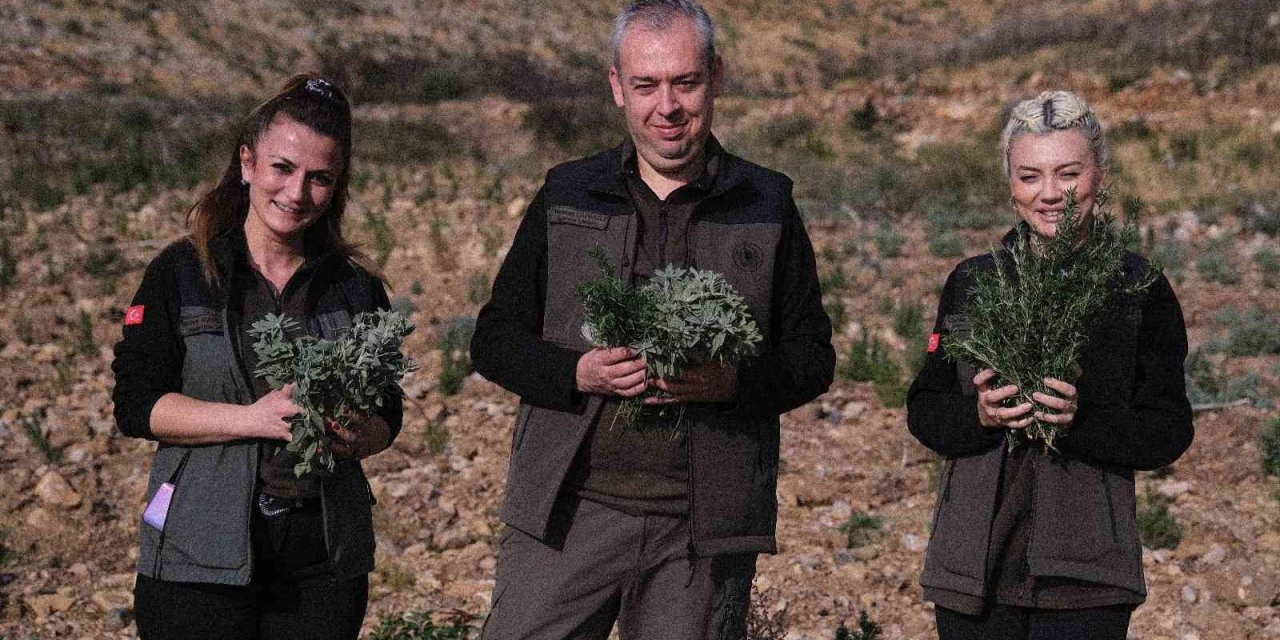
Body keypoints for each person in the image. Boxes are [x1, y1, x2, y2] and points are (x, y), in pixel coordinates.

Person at [470, 1, 834, 637]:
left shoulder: (766, 201)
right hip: (567, 514)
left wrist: (733, 383)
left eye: (685, 83)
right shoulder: (568, 192)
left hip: (702, 529)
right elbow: (494, 340)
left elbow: (811, 358)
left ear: (716, 78)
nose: (666, 106)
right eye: (645, 85)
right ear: (616, 86)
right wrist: (578, 372)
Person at [111, 74, 402, 640]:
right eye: (282, 169)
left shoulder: (354, 287)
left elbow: (389, 410)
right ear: (246, 163)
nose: (297, 194)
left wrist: (361, 434)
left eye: (319, 178)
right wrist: (252, 419)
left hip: (323, 563)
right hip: (199, 557)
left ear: (337, 185)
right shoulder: (182, 273)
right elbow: (136, 404)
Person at [906, 90, 1194, 640]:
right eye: (1030, 176)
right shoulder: (971, 283)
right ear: (1010, 184)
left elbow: (1168, 430)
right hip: (972, 571)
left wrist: (1080, 422)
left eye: (1068, 173)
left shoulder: (1138, 289)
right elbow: (925, 410)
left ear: (1099, 176)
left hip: (1086, 576)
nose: (1051, 195)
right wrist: (980, 417)